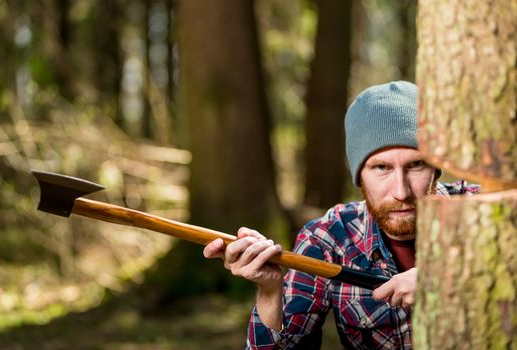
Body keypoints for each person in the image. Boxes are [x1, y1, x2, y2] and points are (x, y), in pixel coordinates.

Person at [203, 81, 479, 349]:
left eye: (416, 165)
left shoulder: (486, 212)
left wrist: (447, 280)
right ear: (359, 176)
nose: (401, 191)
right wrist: (269, 292)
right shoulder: (328, 239)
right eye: (381, 167)